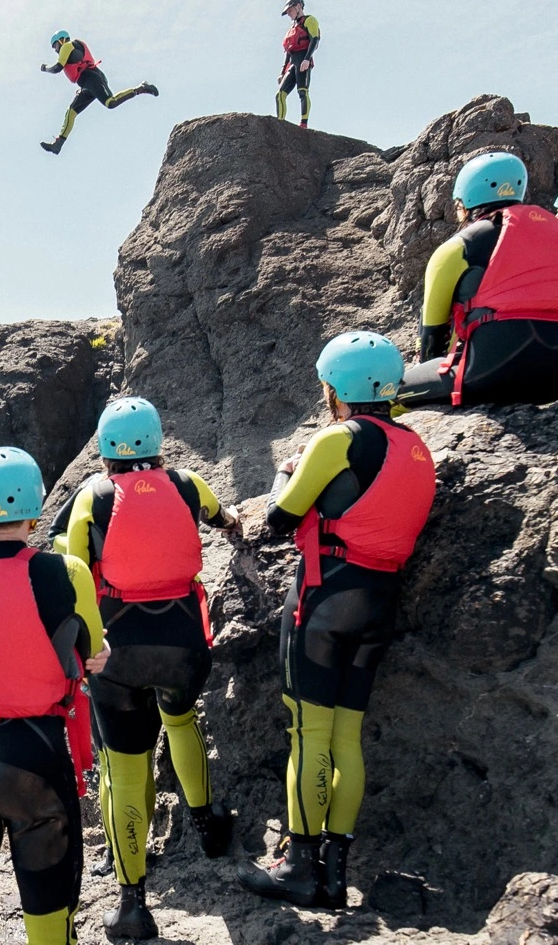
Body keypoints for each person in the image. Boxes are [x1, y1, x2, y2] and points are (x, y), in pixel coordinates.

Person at [238, 332, 436, 909]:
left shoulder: (339, 438)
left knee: (309, 732)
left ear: (336, 389)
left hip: (327, 597)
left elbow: (280, 518)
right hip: (381, 599)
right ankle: (333, 871)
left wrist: (287, 472)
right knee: (347, 735)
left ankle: (298, 865)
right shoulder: (416, 446)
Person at [62, 397, 239, 940]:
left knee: (124, 767)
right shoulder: (188, 484)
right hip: (185, 644)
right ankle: (208, 829)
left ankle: (132, 901)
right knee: (182, 723)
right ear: (158, 442)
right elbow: (225, 518)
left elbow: (70, 571)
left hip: (116, 654)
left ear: (104, 449)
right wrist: (234, 525)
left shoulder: (92, 495)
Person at [0, 446, 110, 945]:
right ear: (34, 507)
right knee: (49, 919)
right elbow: (93, 652)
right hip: (36, 758)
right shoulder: (67, 571)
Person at [398, 151, 558, 409]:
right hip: (554, 378)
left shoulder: (458, 248)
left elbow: (431, 338)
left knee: (380, 396)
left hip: (490, 374)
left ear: (464, 201)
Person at [39, 30, 158, 155]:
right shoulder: (69, 48)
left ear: (62, 40)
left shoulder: (67, 46)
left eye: (56, 45)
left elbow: (57, 68)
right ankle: (58, 144)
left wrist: (45, 68)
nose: (56, 50)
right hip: (87, 84)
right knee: (71, 113)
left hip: (93, 78)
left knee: (110, 103)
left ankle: (141, 88)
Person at [276, 0, 320, 129]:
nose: (289, 14)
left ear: (299, 6)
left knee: (302, 91)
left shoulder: (310, 20)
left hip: (303, 60)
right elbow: (288, 52)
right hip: (293, 63)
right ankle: (280, 123)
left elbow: (315, 39)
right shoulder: (292, 29)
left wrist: (307, 58)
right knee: (280, 95)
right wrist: (283, 72)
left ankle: (303, 123)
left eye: (290, 10)